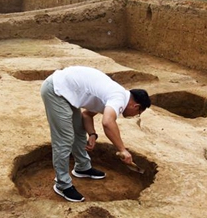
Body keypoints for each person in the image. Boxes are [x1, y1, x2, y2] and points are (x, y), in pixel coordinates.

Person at [40, 66, 151, 202]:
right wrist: (122, 149)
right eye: (138, 113)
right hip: (56, 90)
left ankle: (82, 167)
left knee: (79, 130)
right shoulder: (119, 98)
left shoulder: (115, 95)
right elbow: (108, 122)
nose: (135, 115)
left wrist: (92, 134)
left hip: (67, 91)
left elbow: (86, 115)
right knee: (64, 139)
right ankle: (62, 184)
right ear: (136, 106)